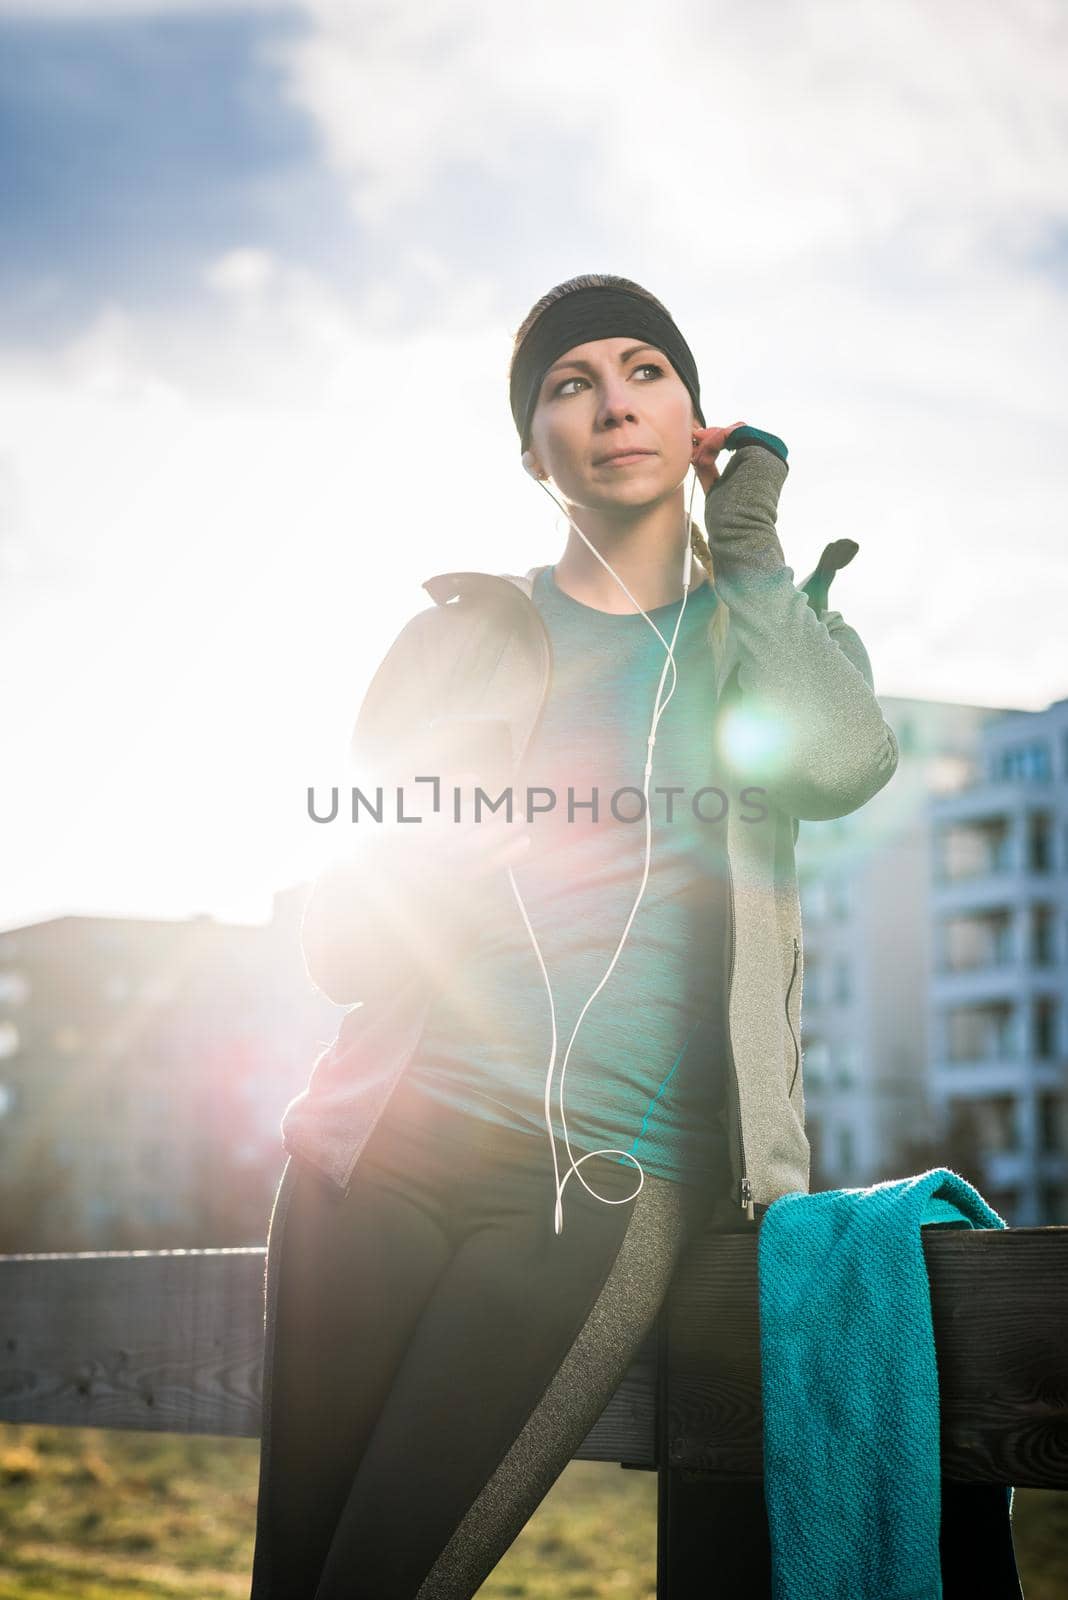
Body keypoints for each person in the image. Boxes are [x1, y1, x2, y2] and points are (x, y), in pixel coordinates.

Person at [248, 272, 900, 1598]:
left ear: (697, 420)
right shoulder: (456, 641)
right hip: (370, 1159)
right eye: (568, 384)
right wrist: (423, 873)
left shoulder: (768, 636)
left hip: (597, 1192)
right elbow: (339, 952)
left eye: (645, 369)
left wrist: (754, 539)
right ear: (531, 451)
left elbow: (839, 765)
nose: (612, 402)